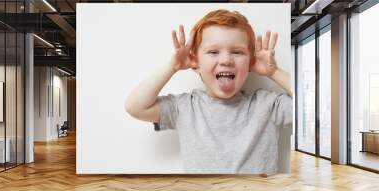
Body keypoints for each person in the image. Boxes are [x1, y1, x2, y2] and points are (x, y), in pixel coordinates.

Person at [125, 9, 292, 174]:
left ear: (250, 62)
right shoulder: (184, 107)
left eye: (237, 52)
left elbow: (312, 104)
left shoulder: (269, 105)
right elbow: (136, 106)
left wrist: (273, 72)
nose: (226, 60)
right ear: (195, 62)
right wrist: (172, 67)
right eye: (213, 52)